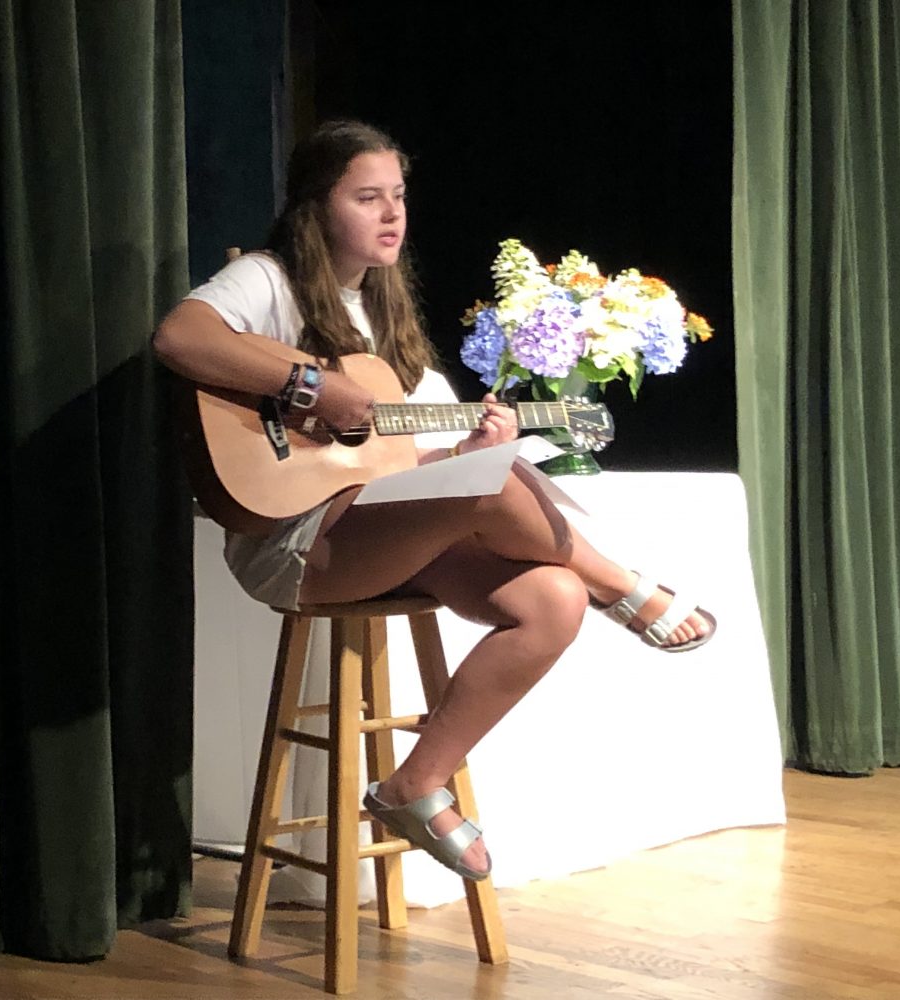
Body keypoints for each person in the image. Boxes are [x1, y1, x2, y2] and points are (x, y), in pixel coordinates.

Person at [153, 119, 716, 882]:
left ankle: (413, 785)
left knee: (552, 597)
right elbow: (179, 339)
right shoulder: (267, 278)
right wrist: (311, 386)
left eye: (398, 196)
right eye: (366, 197)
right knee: (495, 487)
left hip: (378, 534)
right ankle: (621, 585)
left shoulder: (383, 310)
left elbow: (401, 461)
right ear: (315, 206)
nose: (391, 213)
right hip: (294, 543)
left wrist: (467, 451)